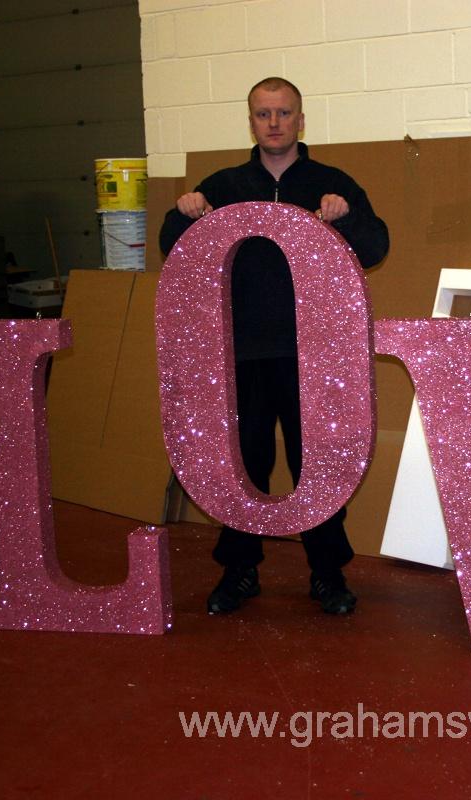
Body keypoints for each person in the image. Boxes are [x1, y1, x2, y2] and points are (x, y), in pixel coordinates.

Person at [159, 77, 389, 616]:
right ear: (251, 121)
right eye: (263, 114)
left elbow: (376, 246)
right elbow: (173, 245)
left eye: (284, 113)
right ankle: (240, 573)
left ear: (301, 120)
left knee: (319, 466)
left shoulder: (332, 182)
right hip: (239, 352)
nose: (274, 123)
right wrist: (184, 211)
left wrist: (346, 216)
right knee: (245, 464)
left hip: (317, 356)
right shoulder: (224, 184)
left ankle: (327, 575)